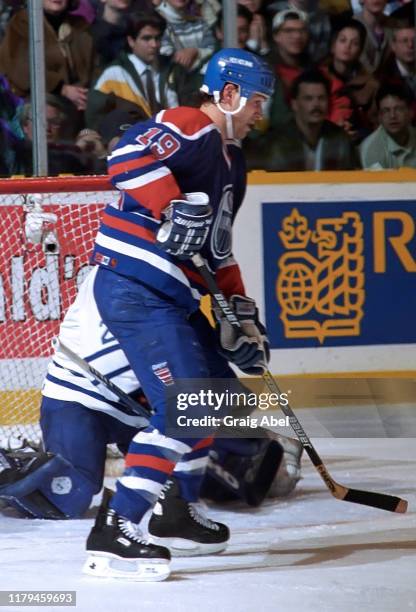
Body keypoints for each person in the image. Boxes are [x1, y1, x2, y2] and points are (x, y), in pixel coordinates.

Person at [82, 47, 278, 581]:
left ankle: (175, 512)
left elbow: (216, 249)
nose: (263, 112)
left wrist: (239, 313)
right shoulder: (191, 125)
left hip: (173, 295)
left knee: (216, 401)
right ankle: (114, 533)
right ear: (230, 94)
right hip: (135, 286)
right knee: (178, 406)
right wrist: (171, 203)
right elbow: (123, 157)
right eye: (258, 100)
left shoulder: (233, 163)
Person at [0, 266, 302, 519]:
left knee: (227, 476)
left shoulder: (179, 299)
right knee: (68, 494)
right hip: (83, 397)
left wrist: (246, 437)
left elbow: (220, 393)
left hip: (147, 410)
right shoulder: (119, 284)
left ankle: (122, 456)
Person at [0, 0, 95, 126]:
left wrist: (83, 94)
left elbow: (93, 66)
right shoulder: (21, 23)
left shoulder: (80, 26)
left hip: (80, 99)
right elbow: (19, 68)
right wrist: (62, 89)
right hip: (37, 98)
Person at [246, 70, 360, 171]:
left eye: (321, 98)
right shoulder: (273, 143)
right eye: (308, 98)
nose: (316, 105)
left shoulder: (341, 140)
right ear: (294, 104)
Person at [86, 11, 182, 130]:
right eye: (146, 38)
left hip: (175, 137)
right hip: (130, 138)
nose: (154, 44)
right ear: (131, 41)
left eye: (157, 38)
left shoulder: (174, 69)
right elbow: (95, 118)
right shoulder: (113, 74)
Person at [360, 83, 416, 168]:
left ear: (411, 112)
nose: (392, 116)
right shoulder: (371, 149)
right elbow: (377, 181)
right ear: (379, 116)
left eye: (398, 109)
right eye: (386, 111)